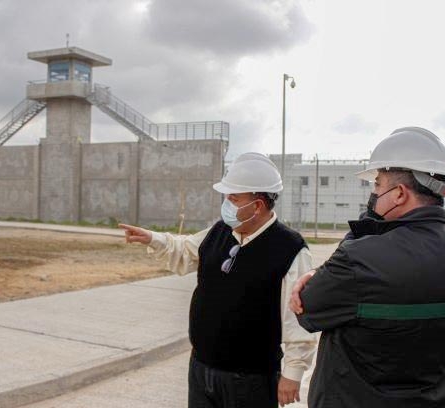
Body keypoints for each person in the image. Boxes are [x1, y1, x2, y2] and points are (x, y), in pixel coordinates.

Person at [289, 127, 445, 407]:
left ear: (399, 193)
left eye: (377, 185)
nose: (373, 193)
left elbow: (307, 308)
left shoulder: (360, 256)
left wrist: (365, 227)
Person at [120, 152, 316, 408]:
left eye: (233, 198)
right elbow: (186, 249)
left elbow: (297, 318)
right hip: (202, 368)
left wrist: (292, 374)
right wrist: (153, 238)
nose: (226, 204)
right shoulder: (220, 230)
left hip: (251, 379)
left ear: (257, 205)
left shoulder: (290, 249)